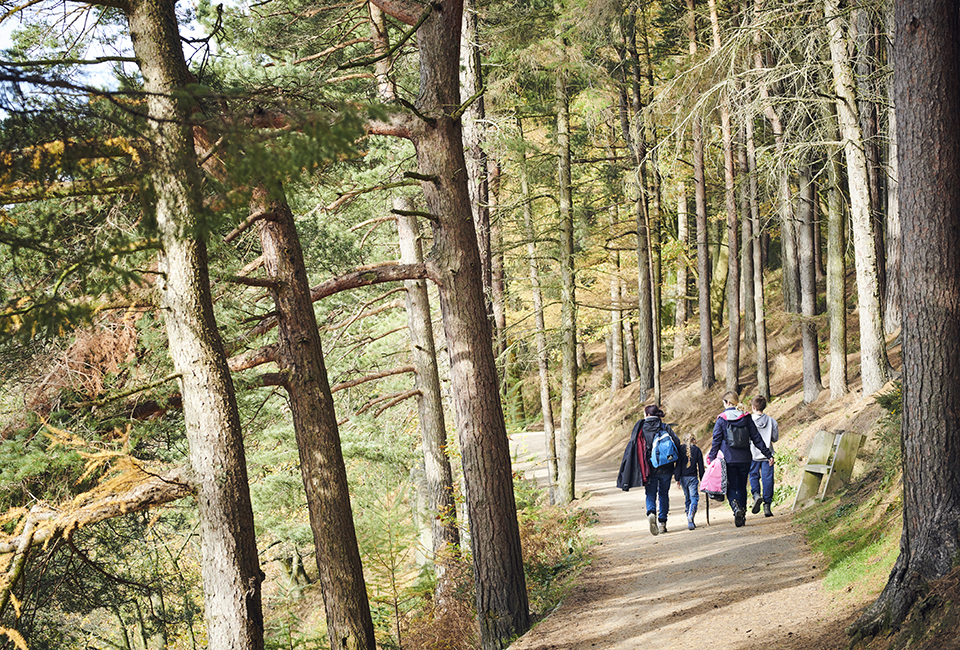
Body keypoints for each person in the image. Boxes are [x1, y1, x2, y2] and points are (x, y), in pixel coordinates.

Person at [707, 391, 773, 528]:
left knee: (730, 485)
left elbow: (716, 441)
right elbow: (756, 438)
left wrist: (711, 458)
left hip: (728, 458)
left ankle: (735, 508)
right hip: (745, 458)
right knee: (742, 486)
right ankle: (742, 513)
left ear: (727, 402)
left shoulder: (722, 419)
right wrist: (768, 454)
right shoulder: (746, 417)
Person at [641, 404, 683, 535]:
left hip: (650, 468)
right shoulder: (665, 427)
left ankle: (651, 512)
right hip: (666, 467)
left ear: (647, 415)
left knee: (650, 493)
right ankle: (662, 522)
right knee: (664, 494)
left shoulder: (642, 428)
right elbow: (677, 443)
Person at [749, 395, 780, 517]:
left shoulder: (749, 421)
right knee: (768, 479)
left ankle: (756, 495)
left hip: (752, 454)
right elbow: (775, 438)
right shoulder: (772, 421)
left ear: (753, 407)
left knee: (753, 476)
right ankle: (767, 505)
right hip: (768, 456)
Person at [675, 433, 705, 530]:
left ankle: (689, 517)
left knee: (687, 498)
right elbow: (701, 467)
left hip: (683, 478)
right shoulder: (697, 450)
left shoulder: (680, 450)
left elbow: (678, 465)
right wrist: (702, 478)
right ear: (694, 440)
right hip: (692, 477)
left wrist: (677, 479)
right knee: (694, 498)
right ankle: (691, 516)